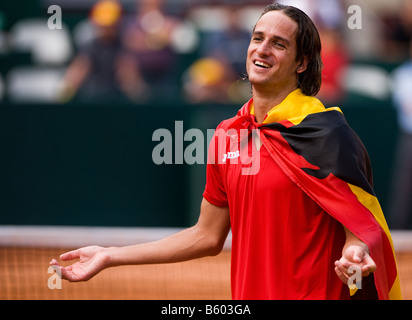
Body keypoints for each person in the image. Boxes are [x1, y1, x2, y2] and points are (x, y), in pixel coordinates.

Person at [51, 4, 401, 300]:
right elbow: (206, 235)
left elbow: (360, 224)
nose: (262, 49)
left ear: (301, 63)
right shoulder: (227, 137)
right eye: (258, 38)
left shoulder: (329, 135)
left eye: (279, 44)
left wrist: (356, 251)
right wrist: (110, 256)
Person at [388, 39, 412, 229]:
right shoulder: (402, 74)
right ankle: (398, 226)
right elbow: (406, 105)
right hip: (408, 136)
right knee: (403, 184)